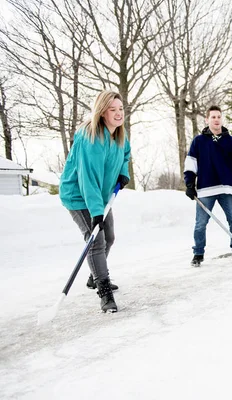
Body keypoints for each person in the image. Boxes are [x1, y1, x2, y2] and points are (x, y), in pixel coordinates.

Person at [59, 90, 130, 313]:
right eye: (113, 110)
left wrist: (123, 171)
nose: (119, 114)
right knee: (95, 241)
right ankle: (104, 290)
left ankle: (93, 276)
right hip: (79, 196)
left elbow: (126, 154)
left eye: (120, 109)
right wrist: (96, 212)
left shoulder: (119, 134)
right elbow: (87, 179)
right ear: (102, 112)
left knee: (109, 236)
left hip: (99, 195)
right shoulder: (90, 138)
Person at [183, 105, 232, 266]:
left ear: (221, 119)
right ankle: (198, 254)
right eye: (213, 117)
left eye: (218, 117)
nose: (216, 120)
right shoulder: (198, 142)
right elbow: (191, 163)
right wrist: (189, 183)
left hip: (227, 188)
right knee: (200, 224)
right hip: (205, 188)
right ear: (207, 120)